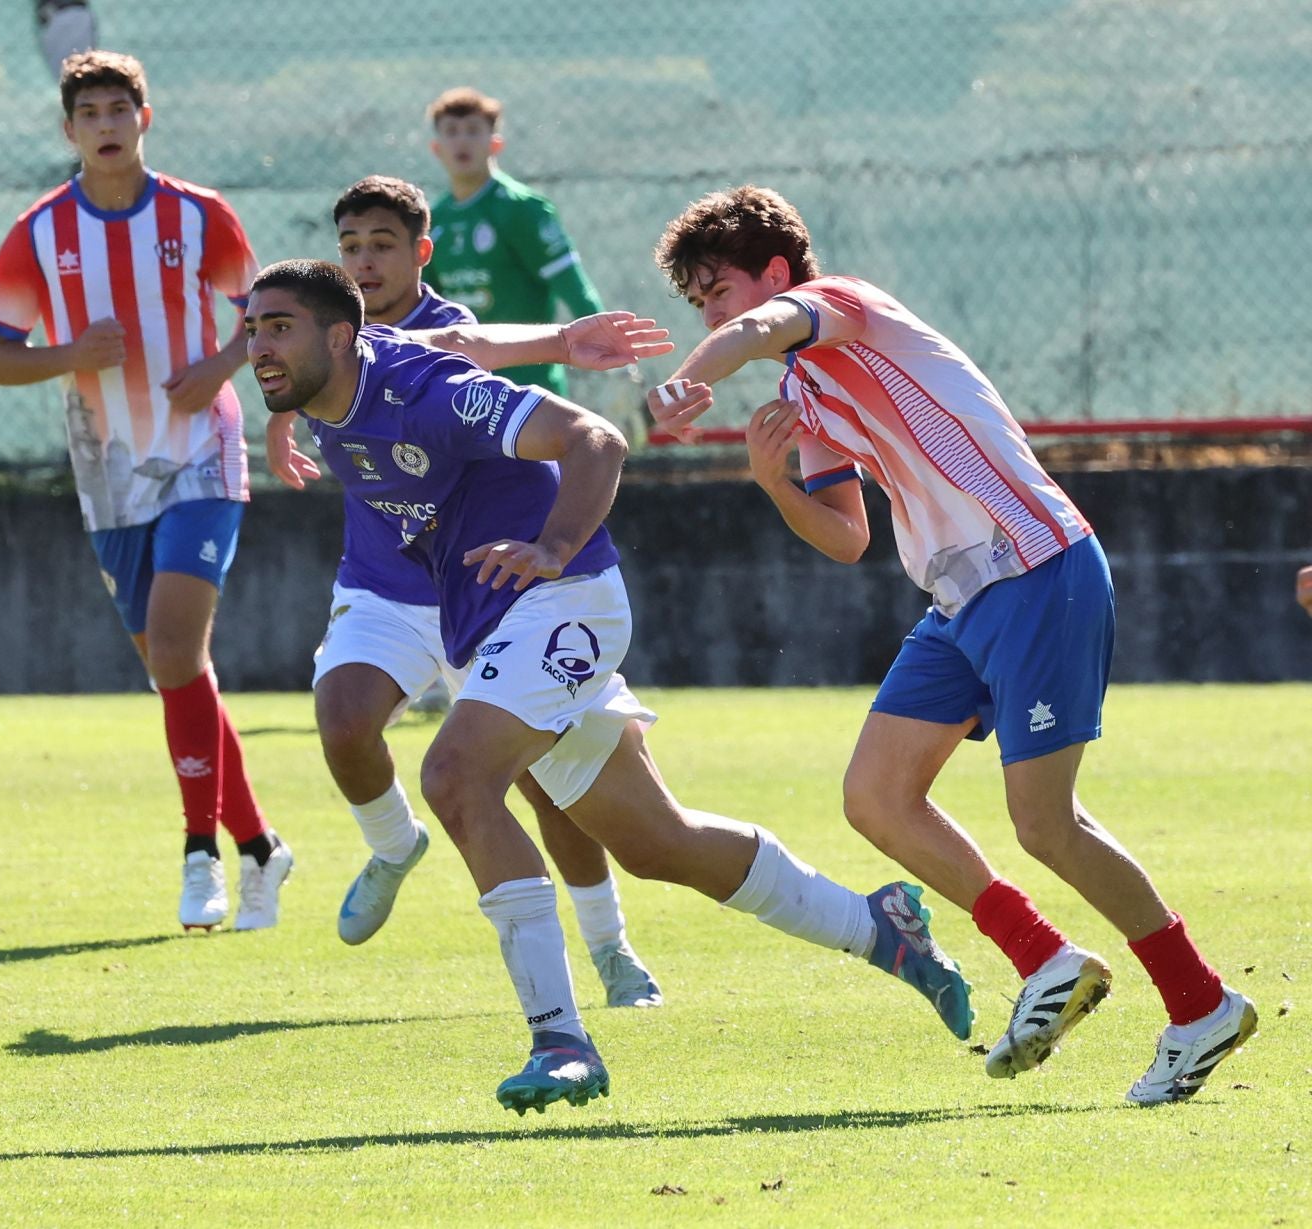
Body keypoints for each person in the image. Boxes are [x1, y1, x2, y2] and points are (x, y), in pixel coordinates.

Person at [244, 258, 974, 1114]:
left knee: (455, 775)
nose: (259, 347)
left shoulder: (426, 393)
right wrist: (288, 418)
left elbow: (596, 438)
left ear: (341, 337)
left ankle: (560, 1040)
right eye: (253, 329)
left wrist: (553, 545)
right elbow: (456, 336)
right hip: (493, 624)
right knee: (659, 843)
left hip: (564, 602)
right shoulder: (335, 388)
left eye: (279, 328)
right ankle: (880, 928)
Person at [648, 184, 1256, 1105]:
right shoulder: (801, 392)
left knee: (1045, 822)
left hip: (1036, 565)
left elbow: (759, 328)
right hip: (960, 598)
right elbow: (846, 536)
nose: (711, 314)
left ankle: (1201, 1004)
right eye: (697, 303)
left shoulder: (845, 305)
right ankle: (1046, 959)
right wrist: (774, 486)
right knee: (876, 796)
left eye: (717, 291)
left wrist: (692, 376)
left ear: (774, 274)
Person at [262, 176, 662, 1007]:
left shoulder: (432, 341)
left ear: (422, 253)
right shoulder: (312, 333)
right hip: (385, 584)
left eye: (382, 245)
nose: (364, 261)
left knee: (547, 784)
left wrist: (564, 339)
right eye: (350, 246)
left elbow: (465, 341)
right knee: (342, 719)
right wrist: (277, 418)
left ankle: (611, 945)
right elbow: (290, 367)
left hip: (482, 588)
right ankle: (393, 845)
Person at [0, 51, 292, 934]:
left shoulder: (200, 215)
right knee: (172, 671)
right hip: (109, 471)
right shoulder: (38, 233)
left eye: (120, 108)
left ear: (145, 118)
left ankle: (202, 854)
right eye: (90, 113)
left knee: (178, 650)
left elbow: (263, 318)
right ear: (68, 129)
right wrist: (69, 355)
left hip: (202, 453)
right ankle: (262, 845)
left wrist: (219, 368)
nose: (107, 125)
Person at [422, 88, 603, 397]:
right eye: (451, 131)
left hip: (531, 386)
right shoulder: (433, 220)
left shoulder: (523, 209)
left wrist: (607, 341)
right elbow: (424, 302)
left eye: (473, 130)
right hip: (463, 387)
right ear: (437, 148)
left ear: (495, 143)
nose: (462, 141)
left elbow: (572, 284)